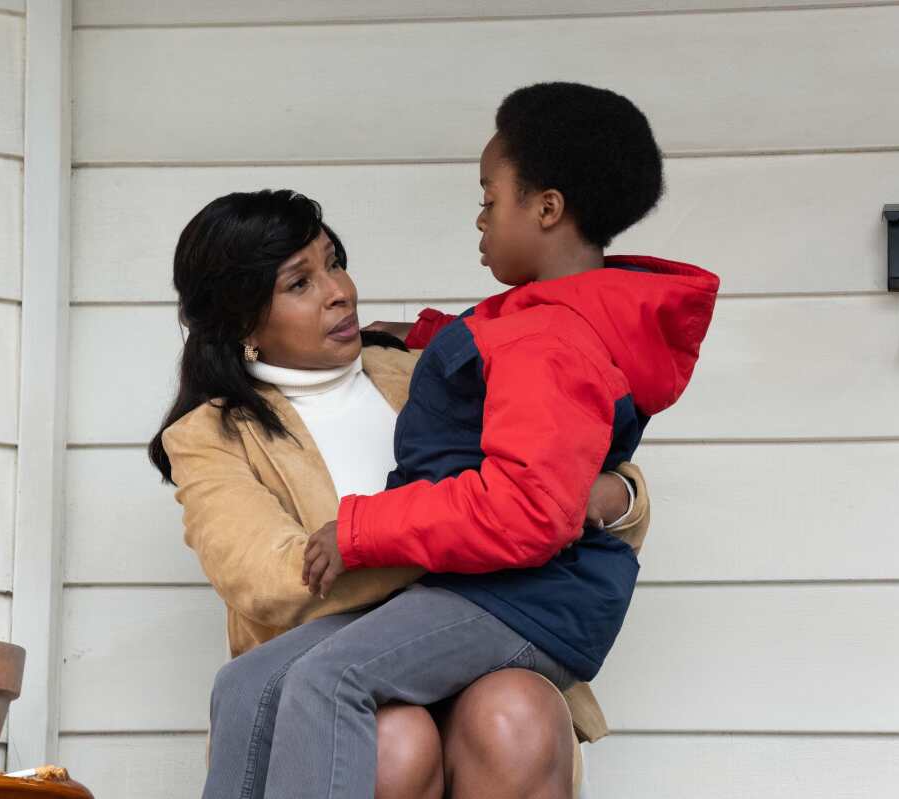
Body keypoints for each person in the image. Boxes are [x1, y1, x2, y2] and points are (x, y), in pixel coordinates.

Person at [248, 82, 721, 799]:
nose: (479, 218)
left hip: (518, 600)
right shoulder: (544, 317)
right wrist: (425, 338)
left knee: (328, 679)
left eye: (488, 198)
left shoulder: (553, 339)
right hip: (493, 592)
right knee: (249, 681)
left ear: (547, 208)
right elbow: (498, 354)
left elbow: (527, 509)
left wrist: (360, 529)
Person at [150, 189, 651, 798]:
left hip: (483, 646)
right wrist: (472, 529)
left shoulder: (427, 369)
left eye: (334, 261)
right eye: (300, 284)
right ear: (241, 319)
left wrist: (594, 500)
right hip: (344, 667)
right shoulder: (210, 436)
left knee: (517, 711)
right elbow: (273, 576)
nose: (339, 290)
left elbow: (602, 484)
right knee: (391, 735)